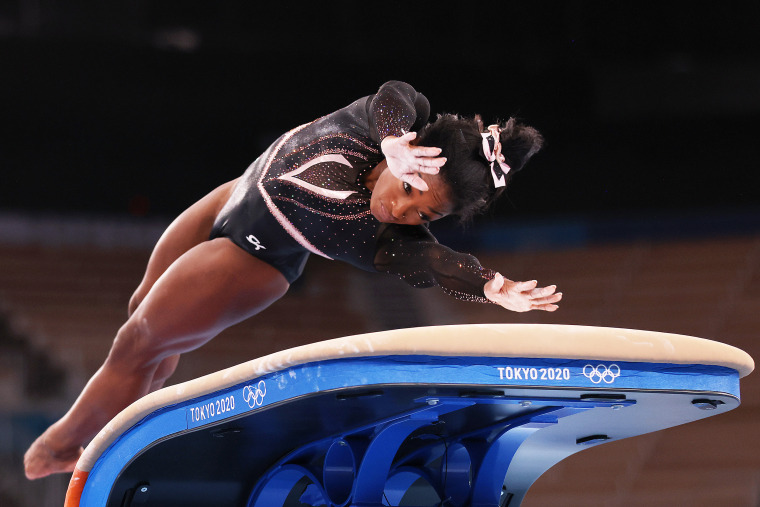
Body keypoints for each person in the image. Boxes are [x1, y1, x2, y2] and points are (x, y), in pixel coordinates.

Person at [23, 80, 561, 479]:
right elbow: (397, 95)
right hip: (233, 195)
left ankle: (63, 446)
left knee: (137, 342)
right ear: (415, 148)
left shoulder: (385, 242)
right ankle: (115, 415)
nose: (401, 207)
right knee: (146, 321)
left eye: (424, 213)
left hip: (249, 260)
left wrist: (491, 284)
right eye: (412, 183)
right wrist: (394, 137)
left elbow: (439, 264)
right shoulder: (380, 123)